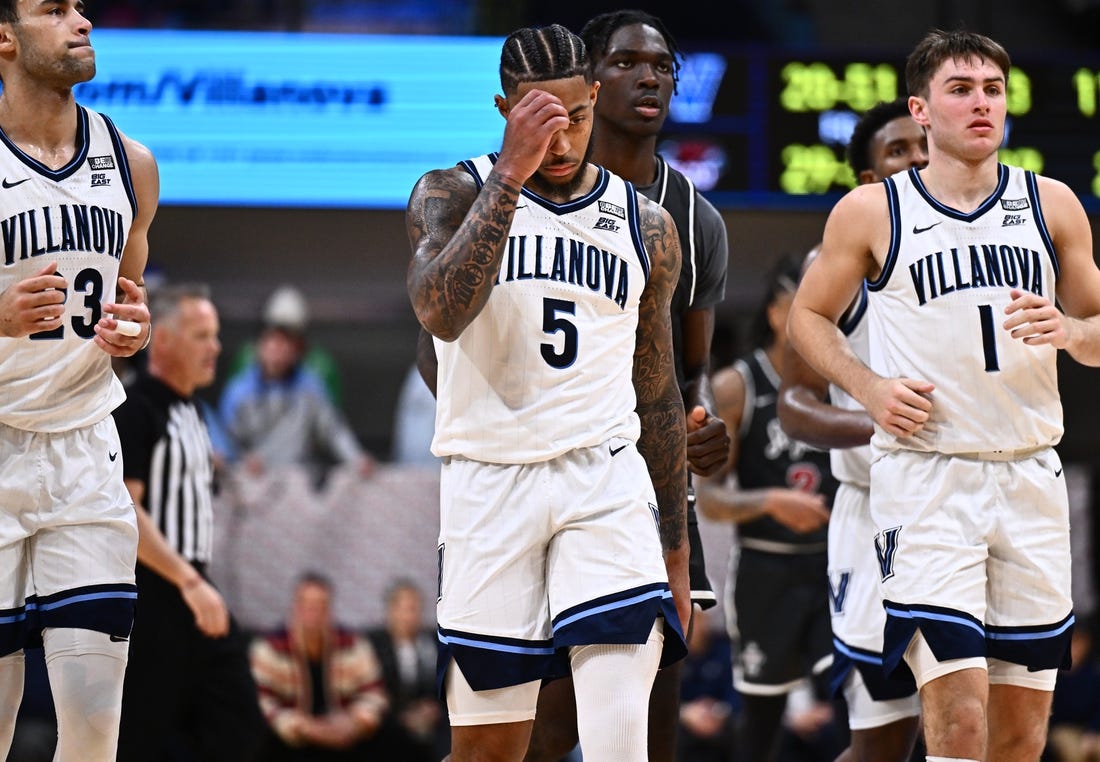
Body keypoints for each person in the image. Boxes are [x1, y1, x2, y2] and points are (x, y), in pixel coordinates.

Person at [787, 28, 1100, 761]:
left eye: (992, 89)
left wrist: (1070, 332)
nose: (981, 104)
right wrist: (867, 388)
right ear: (921, 110)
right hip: (927, 480)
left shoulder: (1052, 205)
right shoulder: (871, 212)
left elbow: (1098, 329)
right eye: (960, 90)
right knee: (959, 724)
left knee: (1021, 738)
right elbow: (807, 317)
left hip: (1029, 475)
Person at [405, 22, 689, 762]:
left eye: (575, 117)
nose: (560, 141)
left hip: (604, 480)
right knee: (489, 749)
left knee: (619, 740)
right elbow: (439, 309)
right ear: (504, 107)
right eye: (540, 120)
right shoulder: (452, 190)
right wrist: (511, 174)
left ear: (595, 98)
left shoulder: (646, 226)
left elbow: (656, 392)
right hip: (488, 482)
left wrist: (678, 552)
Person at [520, 11, 731, 762]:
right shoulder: (522, 191)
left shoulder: (693, 220)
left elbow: (687, 374)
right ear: (589, 77)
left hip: (647, 480)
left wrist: (701, 430)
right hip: (537, 470)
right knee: (537, 729)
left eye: (664, 65)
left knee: (653, 713)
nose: (651, 77)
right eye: (628, 62)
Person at [0, 1, 159, 759]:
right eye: (53, 9)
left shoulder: (131, 161)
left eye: (83, 7)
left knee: (95, 732)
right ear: (4, 38)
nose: (81, 20)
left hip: (86, 446)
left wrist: (138, 331)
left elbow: (130, 299)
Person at [776, 97, 927, 762]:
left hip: (973, 499)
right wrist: (874, 421)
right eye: (898, 151)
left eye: (925, 146)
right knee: (883, 742)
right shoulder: (834, 261)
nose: (919, 159)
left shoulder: (996, 245)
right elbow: (793, 401)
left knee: (979, 723)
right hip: (876, 513)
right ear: (869, 181)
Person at [112, 283, 266, 761]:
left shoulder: (194, 411)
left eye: (215, 335)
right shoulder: (136, 408)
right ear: (165, 342)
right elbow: (126, 510)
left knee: (236, 727)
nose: (215, 347)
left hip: (191, 590)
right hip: (155, 595)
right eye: (202, 336)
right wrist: (190, 582)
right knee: (143, 739)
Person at [695, 252, 838, 762]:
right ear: (779, 313)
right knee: (761, 725)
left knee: (856, 701)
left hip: (834, 568)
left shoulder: (846, 380)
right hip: (765, 567)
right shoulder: (738, 385)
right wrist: (769, 501)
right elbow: (709, 500)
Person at [218, 286, 374, 486]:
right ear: (260, 344)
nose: (278, 350)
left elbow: (333, 430)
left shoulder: (310, 388)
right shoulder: (239, 389)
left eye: (286, 343)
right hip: (249, 481)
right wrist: (240, 460)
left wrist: (357, 459)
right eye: (272, 340)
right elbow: (225, 439)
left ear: (298, 349)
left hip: (297, 482)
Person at [249, 572, 391, 761]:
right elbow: (261, 701)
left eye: (321, 607)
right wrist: (303, 727)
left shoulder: (353, 644)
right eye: (307, 606)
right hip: (290, 743)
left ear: (330, 609)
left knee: (392, 736)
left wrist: (355, 722)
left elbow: (374, 692)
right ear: (295, 608)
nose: (314, 614)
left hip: (346, 738)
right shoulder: (270, 648)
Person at [367, 579, 448, 761]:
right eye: (406, 609)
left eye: (415, 609)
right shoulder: (373, 645)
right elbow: (372, 690)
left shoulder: (432, 643)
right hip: (390, 721)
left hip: (430, 723)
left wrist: (433, 708)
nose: (411, 616)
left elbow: (442, 685)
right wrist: (402, 716)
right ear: (391, 611)